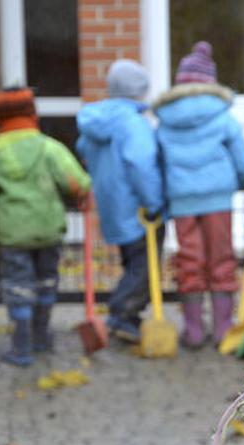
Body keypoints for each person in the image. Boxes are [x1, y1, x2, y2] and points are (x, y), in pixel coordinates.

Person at [0, 87, 91, 366]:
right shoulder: (48, 147)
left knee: (18, 288)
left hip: (13, 236)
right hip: (49, 232)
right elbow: (77, 182)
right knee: (46, 282)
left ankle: (22, 348)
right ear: (32, 114)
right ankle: (41, 338)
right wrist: (81, 195)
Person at [154, 41, 244, 348]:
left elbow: (157, 161)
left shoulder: (165, 120)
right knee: (221, 259)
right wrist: (237, 182)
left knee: (189, 260)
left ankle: (194, 331)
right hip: (217, 201)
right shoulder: (223, 116)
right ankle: (223, 329)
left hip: (182, 202)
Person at [76, 59, 165, 344]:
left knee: (132, 262)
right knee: (145, 264)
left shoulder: (95, 120)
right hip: (137, 207)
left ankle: (128, 316)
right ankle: (122, 314)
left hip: (111, 203)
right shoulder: (133, 124)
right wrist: (154, 203)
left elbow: (83, 151)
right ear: (139, 91)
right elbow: (140, 164)